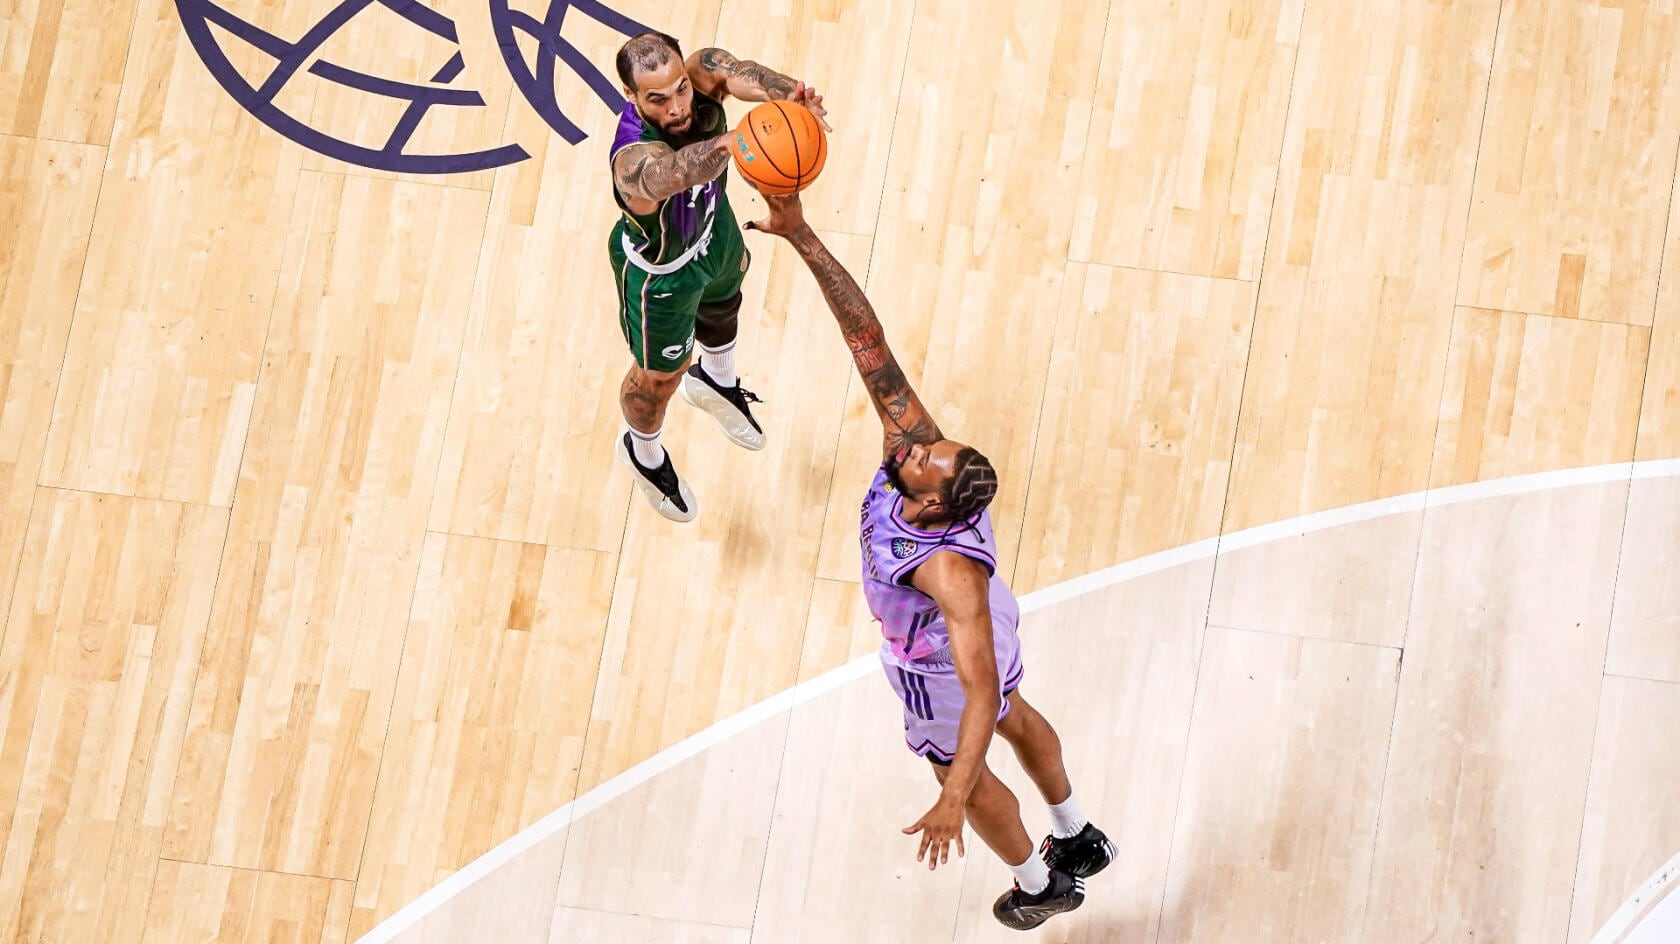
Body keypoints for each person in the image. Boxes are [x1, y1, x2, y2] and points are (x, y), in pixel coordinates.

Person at [744, 192, 1115, 930]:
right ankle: (1079, 834)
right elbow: (867, 339)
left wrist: (951, 793)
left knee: (973, 770)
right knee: (1016, 709)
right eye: (924, 444)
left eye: (924, 458)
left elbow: (976, 693)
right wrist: (803, 235)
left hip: (945, 659)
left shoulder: (947, 569)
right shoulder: (914, 457)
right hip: (986, 626)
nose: (910, 443)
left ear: (939, 505)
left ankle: (1039, 883)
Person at [607, 32, 829, 521]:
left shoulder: (699, 76)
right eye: (657, 99)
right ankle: (643, 453)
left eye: (681, 88)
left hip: (713, 226)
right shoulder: (632, 160)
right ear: (633, 98)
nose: (677, 107)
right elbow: (670, 174)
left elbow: (735, 71)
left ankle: (716, 379)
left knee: (727, 301)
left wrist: (787, 98)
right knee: (658, 380)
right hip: (661, 275)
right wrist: (741, 141)